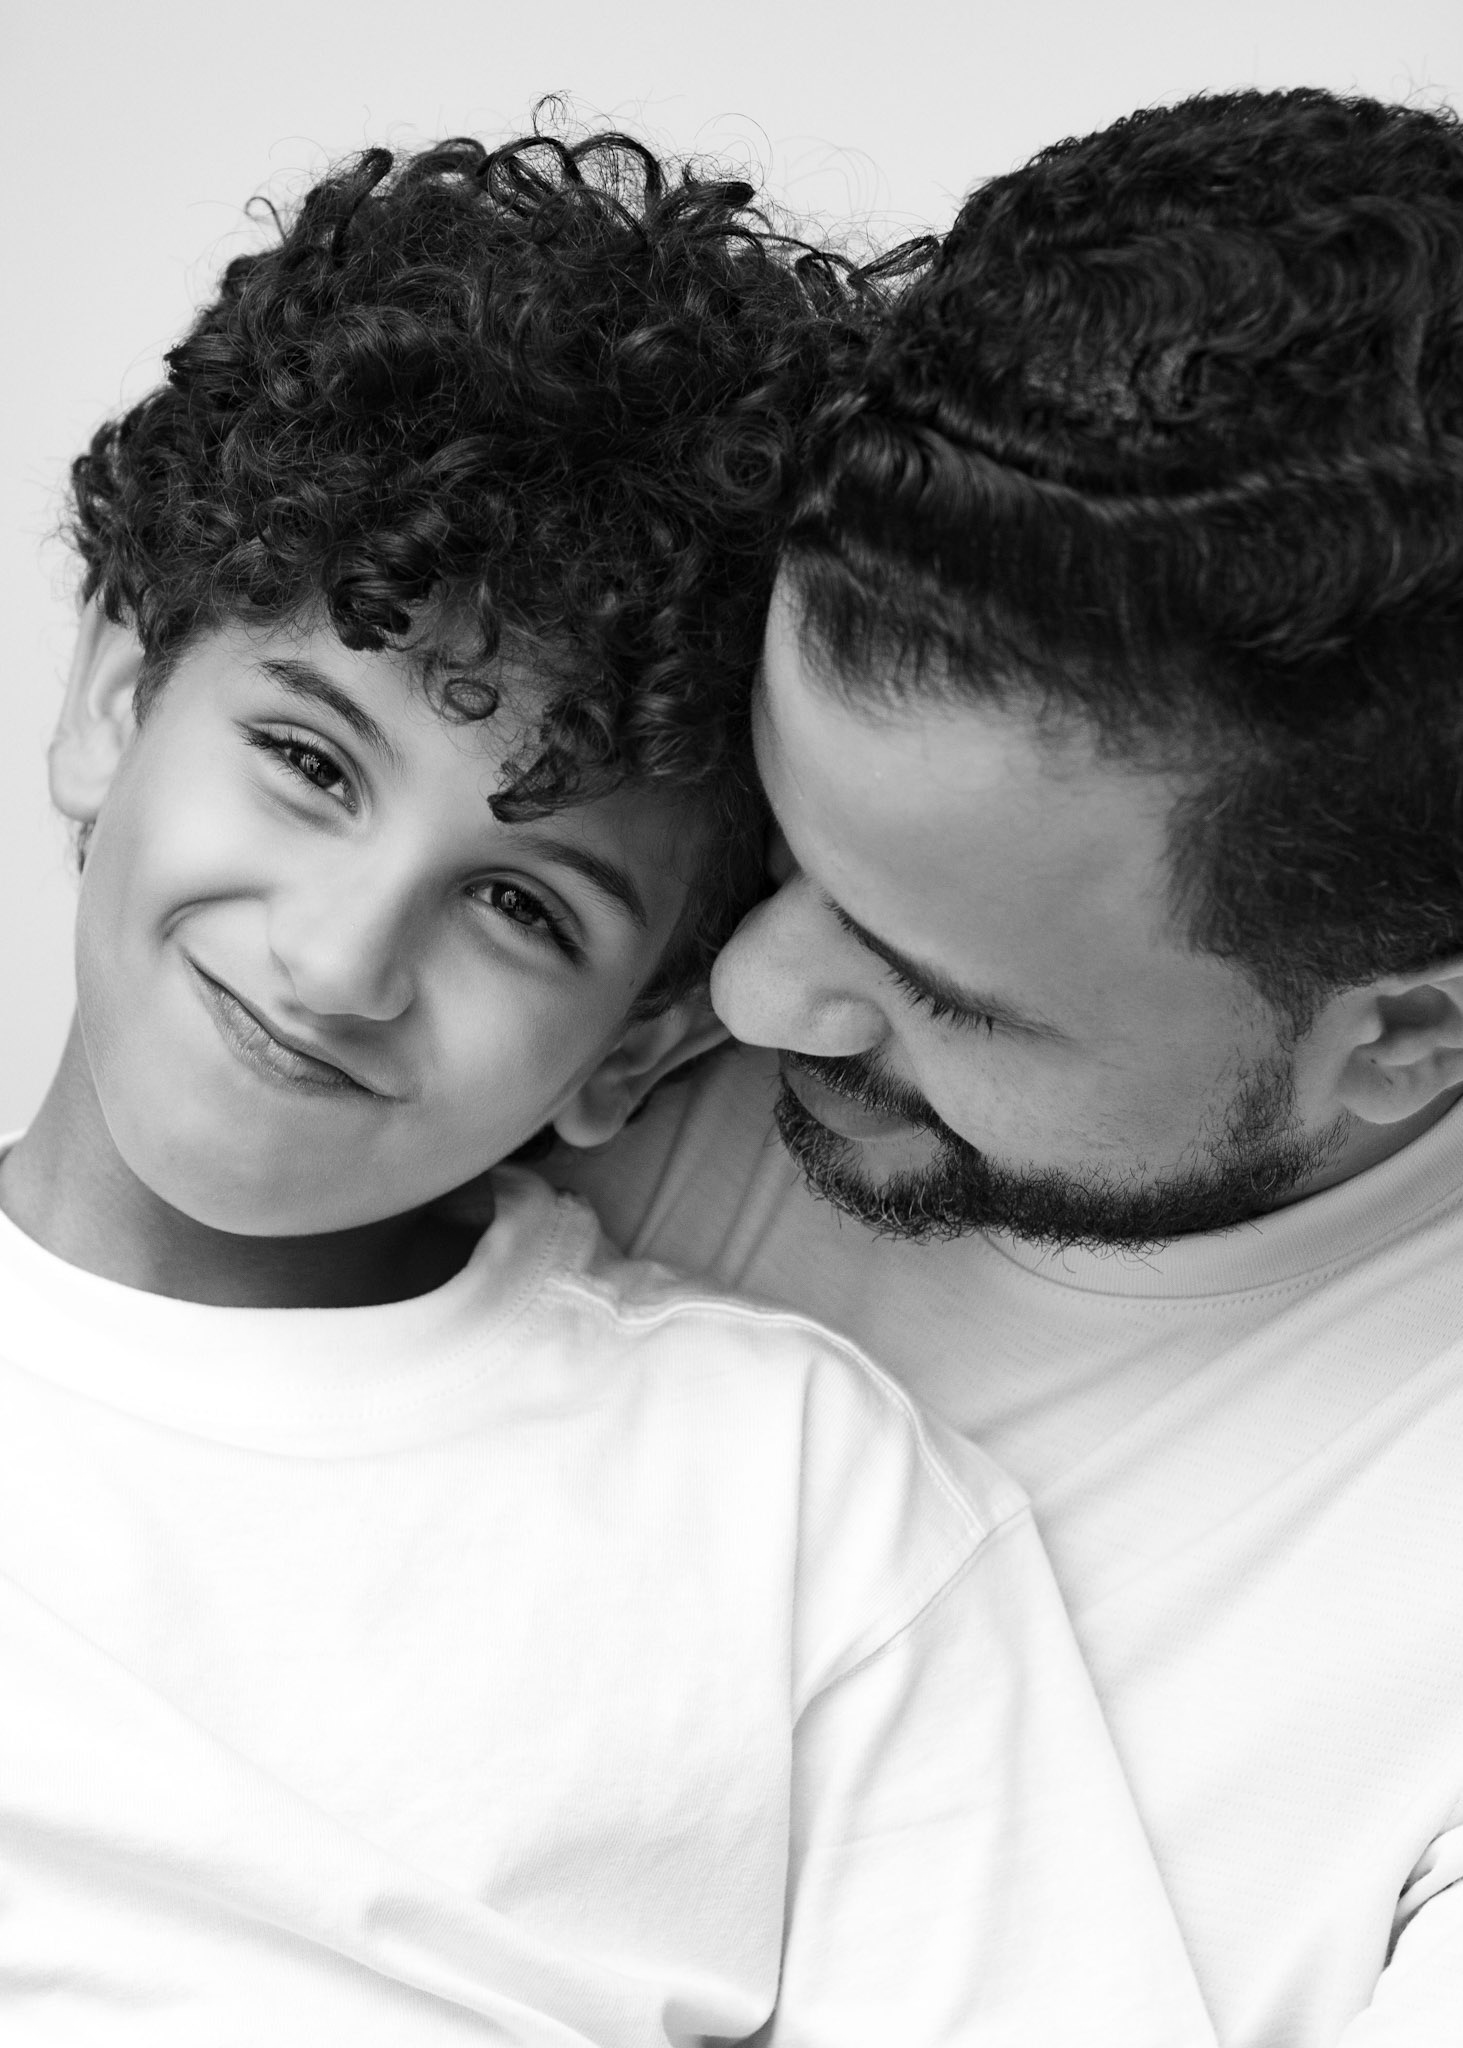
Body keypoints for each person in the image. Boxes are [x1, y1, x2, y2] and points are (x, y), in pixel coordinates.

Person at [0, 130, 1215, 2046]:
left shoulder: (789, 1503)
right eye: (310, 764)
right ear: (115, 701)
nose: (341, 960)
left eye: (519, 905)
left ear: (639, 1046)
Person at [557, 88, 1463, 2048]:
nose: (752, 989)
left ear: (1404, 1037)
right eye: (781, 841)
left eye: (937, 990)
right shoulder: (566, 1003)